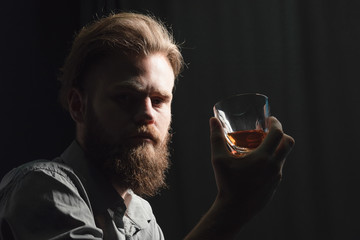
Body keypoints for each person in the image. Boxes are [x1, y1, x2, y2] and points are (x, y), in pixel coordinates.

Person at [0, 12, 294, 240]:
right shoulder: (42, 187)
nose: (147, 114)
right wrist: (231, 207)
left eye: (159, 99)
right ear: (78, 105)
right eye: (126, 97)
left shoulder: (142, 216)